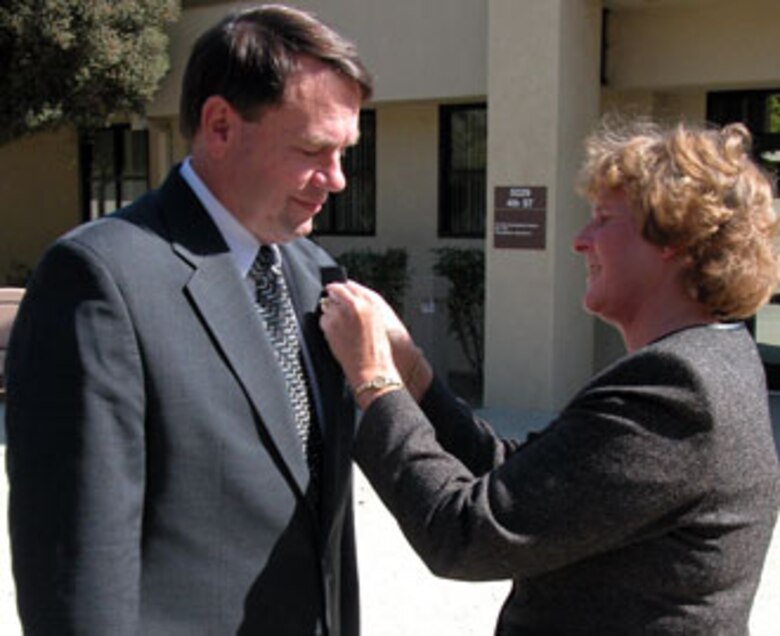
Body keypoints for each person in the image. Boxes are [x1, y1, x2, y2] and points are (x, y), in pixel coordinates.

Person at [319, 120, 780, 634]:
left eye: (603, 219)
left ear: (673, 235)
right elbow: (525, 485)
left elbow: (464, 533)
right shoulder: (716, 359)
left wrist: (373, 381)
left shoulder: (677, 388)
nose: (581, 241)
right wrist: (413, 371)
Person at [5, 5, 372, 634]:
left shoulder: (315, 274)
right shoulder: (99, 280)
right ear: (221, 126)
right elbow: (80, 568)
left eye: (346, 151)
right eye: (313, 148)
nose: (336, 179)